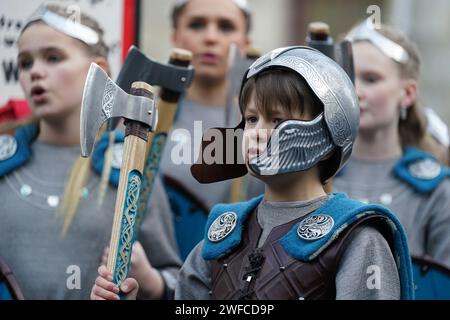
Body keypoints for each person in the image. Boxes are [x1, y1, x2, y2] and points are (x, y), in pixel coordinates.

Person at [91, 46, 414, 300]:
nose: (257, 132)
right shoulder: (224, 231)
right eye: (251, 119)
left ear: (329, 126)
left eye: (276, 120)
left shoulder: (355, 236)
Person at [0, 4, 181, 299]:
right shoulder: (3, 163)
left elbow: (178, 282)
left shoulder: (128, 165)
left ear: (100, 70)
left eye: (53, 57)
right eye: (25, 63)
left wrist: (148, 279)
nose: (35, 72)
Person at [334, 19, 450, 268]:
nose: (355, 91)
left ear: (407, 93)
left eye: (371, 79)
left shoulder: (436, 190)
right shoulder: (310, 173)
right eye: (347, 77)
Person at [160, 0, 263, 260]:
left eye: (226, 27)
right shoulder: (145, 117)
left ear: (246, 42)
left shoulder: (266, 125)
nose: (210, 37)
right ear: (175, 37)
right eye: (196, 25)